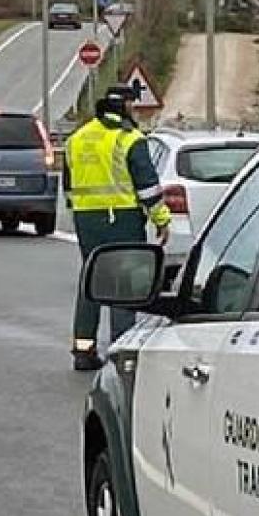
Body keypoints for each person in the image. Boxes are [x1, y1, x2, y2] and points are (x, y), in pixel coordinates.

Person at [63, 86, 171, 371]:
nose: (135, 111)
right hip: (122, 217)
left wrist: (81, 212)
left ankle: (83, 349)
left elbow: (68, 186)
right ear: (124, 106)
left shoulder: (77, 138)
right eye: (132, 105)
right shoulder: (129, 139)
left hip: (86, 219)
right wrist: (161, 220)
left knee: (92, 278)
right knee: (123, 282)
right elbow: (147, 188)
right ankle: (121, 350)